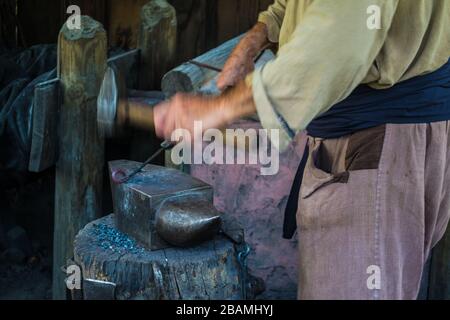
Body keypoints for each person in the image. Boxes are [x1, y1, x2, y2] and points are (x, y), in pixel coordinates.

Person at [154, 0, 450, 299]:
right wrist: (255, 39)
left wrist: (219, 109)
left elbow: (336, 43)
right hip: (384, 142)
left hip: (374, 146)